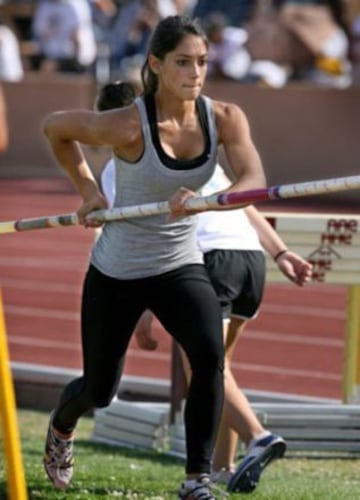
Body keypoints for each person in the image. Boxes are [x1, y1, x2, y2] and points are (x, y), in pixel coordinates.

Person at [41, 14, 266, 498]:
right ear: (157, 65)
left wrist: (211, 200)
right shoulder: (128, 124)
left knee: (208, 359)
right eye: (183, 63)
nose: (196, 73)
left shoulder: (225, 118)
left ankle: (196, 479)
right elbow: (55, 127)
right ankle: (61, 425)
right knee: (99, 390)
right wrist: (88, 192)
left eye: (203, 62)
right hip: (118, 272)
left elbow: (251, 180)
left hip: (178, 264)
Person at [127, 166, 313, 494]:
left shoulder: (132, 164)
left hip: (208, 259)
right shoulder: (204, 156)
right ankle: (223, 468)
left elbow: (146, 231)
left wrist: (143, 307)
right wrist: (280, 252)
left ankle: (258, 437)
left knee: (204, 370)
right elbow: (244, 204)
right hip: (249, 260)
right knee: (220, 367)